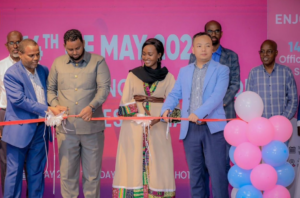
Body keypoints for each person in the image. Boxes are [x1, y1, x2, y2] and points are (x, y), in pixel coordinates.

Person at [162, 32, 229, 198]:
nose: (204, 49)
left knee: (218, 174)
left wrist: (197, 113)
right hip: (190, 130)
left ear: (213, 48)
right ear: (193, 50)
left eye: (207, 45)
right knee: (196, 176)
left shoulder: (222, 70)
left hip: (213, 129)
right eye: (199, 46)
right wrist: (166, 109)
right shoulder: (184, 71)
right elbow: (175, 93)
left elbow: (217, 97)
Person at [47, 29, 111, 198]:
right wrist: (55, 105)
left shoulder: (98, 61)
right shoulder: (57, 63)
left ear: (83, 43)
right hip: (66, 131)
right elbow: (50, 90)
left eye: (77, 48)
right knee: (68, 176)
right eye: (70, 49)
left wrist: (92, 106)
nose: (74, 52)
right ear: (64, 46)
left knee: (92, 176)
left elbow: (104, 89)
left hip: (92, 130)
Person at [112, 38, 177, 198]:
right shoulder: (133, 75)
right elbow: (124, 103)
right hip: (134, 128)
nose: (146, 57)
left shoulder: (169, 77)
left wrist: (161, 117)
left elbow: (174, 107)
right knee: (132, 163)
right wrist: (139, 116)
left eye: (150, 54)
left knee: (159, 165)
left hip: (159, 129)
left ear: (159, 55)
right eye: (143, 54)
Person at [2, 39, 64, 198]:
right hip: (19, 131)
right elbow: (19, 100)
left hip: (41, 130)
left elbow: (50, 94)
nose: (36, 58)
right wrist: (48, 109)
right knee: (14, 173)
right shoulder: (11, 74)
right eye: (31, 55)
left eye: (38, 54)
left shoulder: (43, 70)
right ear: (20, 54)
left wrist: (57, 107)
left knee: (36, 173)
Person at [189, 20, 240, 119]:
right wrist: (203, 107)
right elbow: (192, 81)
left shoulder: (231, 56)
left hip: (224, 108)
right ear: (205, 34)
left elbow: (235, 83)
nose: (213, 34)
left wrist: (221, 103)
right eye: (210, 31)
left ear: (221, 34)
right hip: (200, 109)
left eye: (216, 31)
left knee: (224, 134)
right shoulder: (195, 55)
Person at [246, 40, 298, 120]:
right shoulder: (254, 73)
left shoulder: (286, 72)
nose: (265, 54)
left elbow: (293, 100)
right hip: (260, 125)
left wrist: (283, 119)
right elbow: (249, 100)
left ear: (276, 53)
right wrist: (257, 120)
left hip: (282, 125)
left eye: (269, 51)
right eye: (262, 51)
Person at [0, 30, 23, 195]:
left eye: (18, 42)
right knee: (7, 161)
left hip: (28, 117)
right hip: (5, 114)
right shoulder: (0, 66)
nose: (15, 46)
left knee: (30, 162)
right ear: (6, 45)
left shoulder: (31, 64)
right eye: (11, 43)